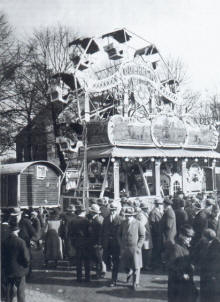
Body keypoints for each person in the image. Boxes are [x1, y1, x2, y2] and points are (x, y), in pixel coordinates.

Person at [168, 224, 197, 302]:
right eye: (187, 236)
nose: (189, 239)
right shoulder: (176, 247)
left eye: (191, 237)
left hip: (186, 279)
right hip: (178, 281)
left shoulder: (186, 246)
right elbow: (172, 265)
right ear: (181, 235)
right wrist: (181, 274)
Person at [2, 222, 30, 302]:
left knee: (9, 291)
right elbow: (26, 257)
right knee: (20, 292)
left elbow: (3, 256)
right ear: (17, 231)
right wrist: (26, 265)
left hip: (9, 270)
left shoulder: (5, 242)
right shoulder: (21, 242)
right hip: (20, 270)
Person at [118, 207, 145, 290]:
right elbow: (118, 234)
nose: (128, 217)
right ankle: (129, 272)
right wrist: (121, 244)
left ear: (133, 215)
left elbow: (142, 236)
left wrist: (139, 246)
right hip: (125, 248)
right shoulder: (123, 223)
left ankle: (135, 283)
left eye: (130, 215)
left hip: (135, 248)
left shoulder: (138, 223)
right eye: (126, 215)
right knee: (126, 265)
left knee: (136, 266)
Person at [101, 201, 122, 287]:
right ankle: (112, 275)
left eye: (114, 209)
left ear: (116, 210)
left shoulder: (120, 219)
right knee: (106, 260)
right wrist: (101, 242)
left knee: (115, 261)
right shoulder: (105, 219)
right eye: (111, 209)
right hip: (107, 243)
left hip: (116, 244)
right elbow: (102, 231)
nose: (112, 211)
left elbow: (122, 233)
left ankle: (114, 279)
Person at [69, 204, 91, 282]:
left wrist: (73, 243)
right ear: (84, 212)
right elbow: (90, 233)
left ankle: (79, 278)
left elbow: (70, 233)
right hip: (86, 244)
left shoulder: (73, 221)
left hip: (77, 243)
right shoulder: (87, 221)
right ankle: (87, 278)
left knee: (78, 261)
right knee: (86, 261)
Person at [199, 229, 220, 302]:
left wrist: (213, 275)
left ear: (207, 237)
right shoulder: (206, 243)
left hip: (212, 276)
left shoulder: (217, 246)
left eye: (203, 237)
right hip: (206, 274)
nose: (201, 239)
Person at [88, 204, 104, 279]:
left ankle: (99, 274)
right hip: (97, 242)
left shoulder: (96, 221)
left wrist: (98, 243)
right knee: (98, 258)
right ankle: (99, 273)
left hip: (97, 243)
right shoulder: (98, 219)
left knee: (98, 258)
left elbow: (99, 233)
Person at [160, 197, 177, 267]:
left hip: (169, 235)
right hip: (169, 235)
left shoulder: (169, 212)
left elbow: (168, 225)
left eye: (163, 204)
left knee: (169, 250)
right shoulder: (169, 211)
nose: (163, 205)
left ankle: (169, 266)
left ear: (166, 204)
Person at [137, 200, 153, 271]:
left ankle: (144, 265)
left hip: (146, 236)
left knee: (146, 251)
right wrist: (146, 233)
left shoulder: (143, 214)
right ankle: (145, 266)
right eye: (146, 208)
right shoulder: (141, 216)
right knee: (146, 251)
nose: (148, 209)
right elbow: (141, 226)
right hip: (145, 236)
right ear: (144, 208)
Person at [149, 198, 164, 270]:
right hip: (156, 234)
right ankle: (155, 264)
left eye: (161, 204)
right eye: (159, 204)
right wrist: (157, 232)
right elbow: (152, 224)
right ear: (156, 205)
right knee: (156, 249)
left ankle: (158, 262)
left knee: (159, 248)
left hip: (160, 233)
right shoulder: (153, 212)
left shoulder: (160, 212)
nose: (161, 205)